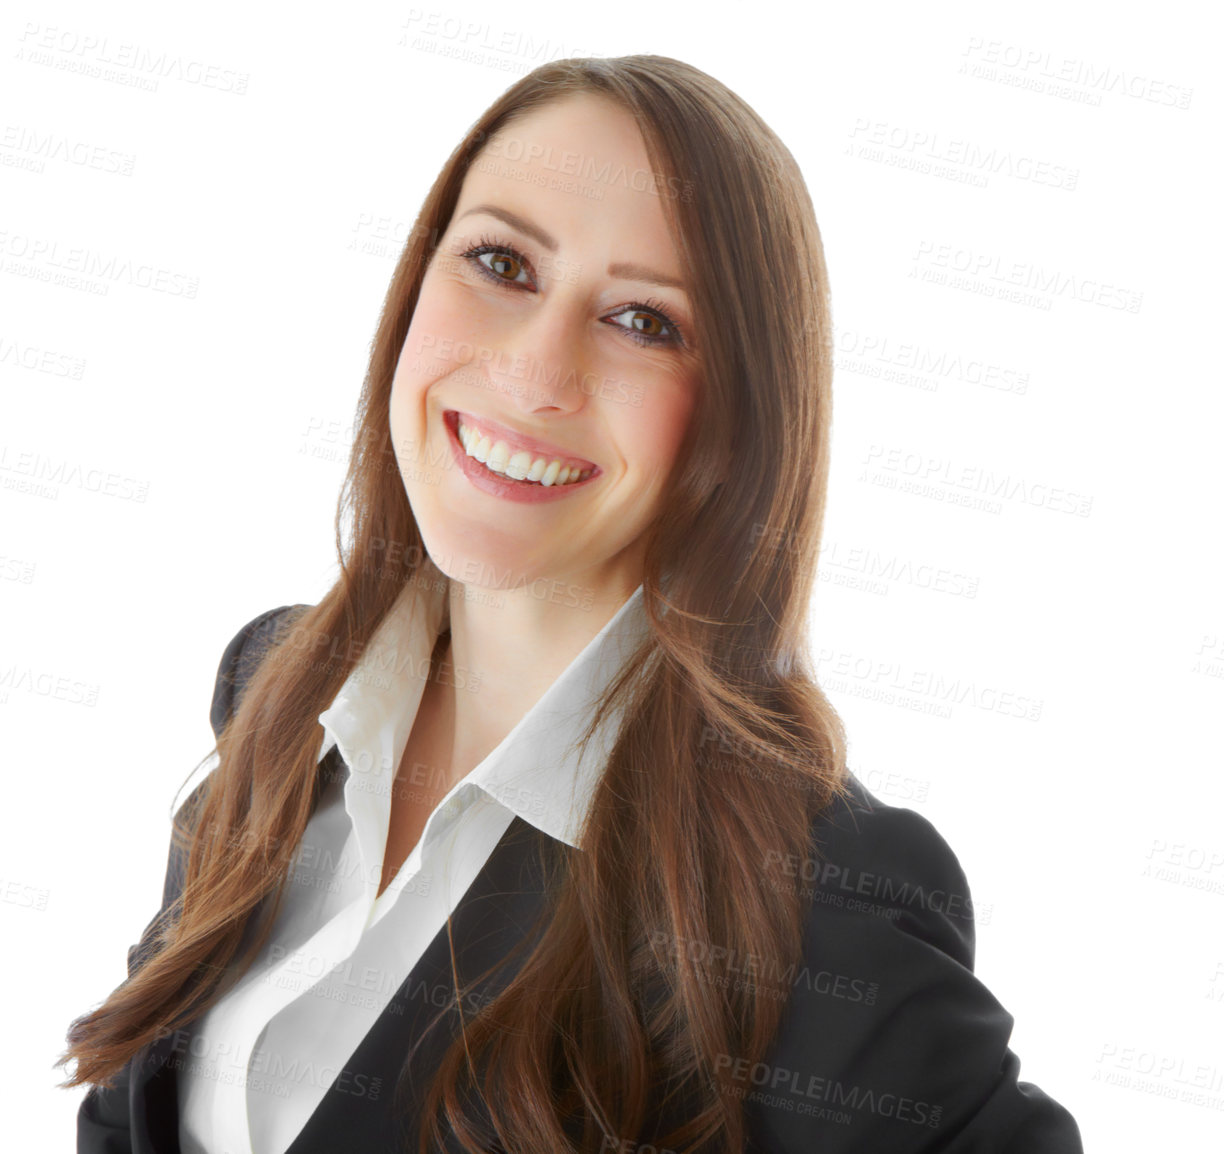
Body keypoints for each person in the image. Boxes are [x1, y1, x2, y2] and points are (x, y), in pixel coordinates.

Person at [59, 54, 1084, 1154]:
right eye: (500, 261)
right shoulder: (279, 691)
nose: (536, 372)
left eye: (644, 321)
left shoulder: (812, 904)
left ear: (737, 420)